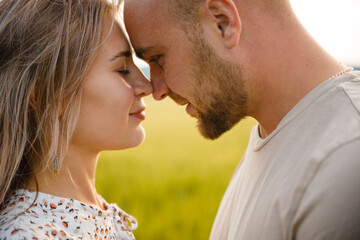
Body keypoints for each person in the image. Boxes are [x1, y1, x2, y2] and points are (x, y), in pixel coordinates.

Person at [124, 0, 360, 239]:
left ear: (222, 23)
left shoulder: (344, 161)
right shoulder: (274, 133)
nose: (157, 90)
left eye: (158, 58)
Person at [0, 0, 152, 239]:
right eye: (122, 69)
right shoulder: (26, 234)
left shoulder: (100, 215)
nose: (147, 86)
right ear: (49, 96)